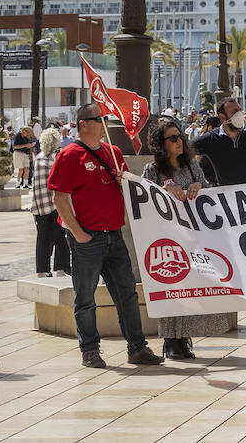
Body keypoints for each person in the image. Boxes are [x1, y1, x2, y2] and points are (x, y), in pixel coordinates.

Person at [48, 103, 163, 368]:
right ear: (83, 124)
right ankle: (90, 350)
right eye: (99, 120)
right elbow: (59, 198)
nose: (105, 124)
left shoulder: (113, 152)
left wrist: (125, 182)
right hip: (87, 238)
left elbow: (127, 191)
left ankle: (137, 348)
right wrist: (78, 234)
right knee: (85, 298)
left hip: (114, 235)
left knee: (127, 295)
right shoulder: (69, 155)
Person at [142, 117, 229, 359]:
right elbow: (143, 199)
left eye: (180, 136)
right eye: (172, 138)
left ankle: (184, 338)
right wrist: (163, 192)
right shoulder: (153, 169)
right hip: (166, 240)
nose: (179, 141)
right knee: (172, 287)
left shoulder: (192, 166)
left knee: (190, 288)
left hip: (192, 238)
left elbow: (207, 189)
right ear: (161, 143)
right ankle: (170, 340)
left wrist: (199, 187)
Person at [193, 97, 246, 327]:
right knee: (233, 258)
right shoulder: (211, 139)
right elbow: (183, 151)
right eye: (234, 111)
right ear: (222, 117)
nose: (240, 113)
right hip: (229, 209)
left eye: (240, 109)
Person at [30, 128, 70, 277]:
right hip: (56, 203)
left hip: (40, 204)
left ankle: (42, 270)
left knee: (42, 238)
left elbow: (35, 183)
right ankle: (60, 268)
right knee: (60, 236)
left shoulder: (38, 158)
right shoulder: (58, 157)